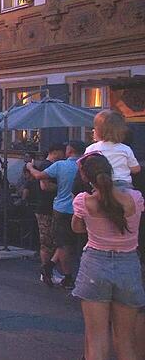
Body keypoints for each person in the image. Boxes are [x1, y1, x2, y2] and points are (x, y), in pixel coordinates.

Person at [70, 153, 144, 360]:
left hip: (95, 263)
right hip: (129, 264)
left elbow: (76, 228)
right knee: (126, 340)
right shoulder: (135, 199)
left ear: (86, 177)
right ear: (110, 172)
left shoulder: (84, 201)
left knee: (96, 339)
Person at [27, 140, 85, 290]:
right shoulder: (85, 165)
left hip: (61, 208)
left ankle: (61, 273)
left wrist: (30, 167)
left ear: (69, 150)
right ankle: (58, 270)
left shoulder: (61, 165)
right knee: (72, 244)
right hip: (81, 208)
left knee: (64, 243)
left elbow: (40, 177)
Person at [31, 144, 64, 286]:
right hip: (46, 207)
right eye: (62, 152)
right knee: (48, 242)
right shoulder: (46, 165)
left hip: (45, 206)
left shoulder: (43, 164)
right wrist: (63, 187)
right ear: (55, 152)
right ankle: (46, 273)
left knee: (50, 241)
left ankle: (48, 271)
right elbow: (45, 186)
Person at [85, 110, 140, 188]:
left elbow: (86, 169)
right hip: (123, 185)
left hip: (99, 186)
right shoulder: (125, 149)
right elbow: (136, 169)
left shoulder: (91, 149)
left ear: (97, 130)